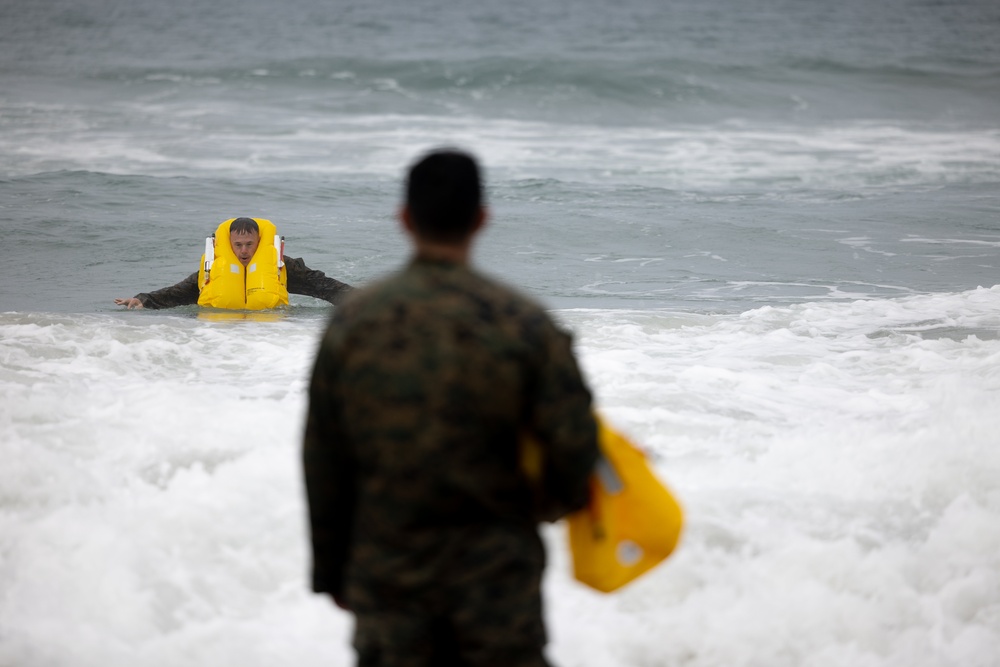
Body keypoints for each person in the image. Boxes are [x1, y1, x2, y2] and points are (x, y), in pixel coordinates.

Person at [303, 149, 599, 667]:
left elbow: (325, 460)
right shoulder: (525, 323)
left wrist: (332, 572)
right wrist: (526, 518)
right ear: (482, 220)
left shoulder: (355, 323)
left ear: (404, 219)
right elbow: (576, 454)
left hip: (390, 578)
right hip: (498, 583)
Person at [114, 217, 352, 309]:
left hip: (274, 338)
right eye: (238, 245)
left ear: (260, 241)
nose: (244, 250)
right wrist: (143, 299)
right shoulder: (214, 267)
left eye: (250, 244)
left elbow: (324, 286)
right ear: (229, 244)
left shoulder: (281, 266)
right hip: (225, 342)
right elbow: (179, 293)